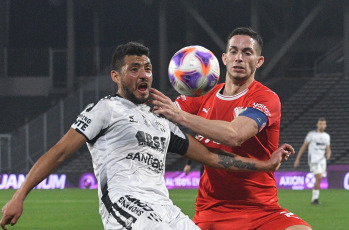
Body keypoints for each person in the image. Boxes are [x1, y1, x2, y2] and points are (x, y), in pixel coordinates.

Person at [0, 42, 294, 230]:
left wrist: (264, 166)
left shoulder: (159, 120)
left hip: (165, 208)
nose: (144, 74)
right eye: (134, 69)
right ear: (116, 76)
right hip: (127, 206)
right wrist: (19, 195)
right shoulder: (105, 109)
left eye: (148, 68)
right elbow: (61, 152)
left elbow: (211, 157)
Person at [151, 27, 312, 230]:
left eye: (247, 53)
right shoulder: (201, 94)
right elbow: (159, 121)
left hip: (261, 209)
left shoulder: (265, 98)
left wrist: (180, 116)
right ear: (224, 58)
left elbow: (234, 135)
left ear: (259, 61)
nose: (239, 58)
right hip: (211, 211)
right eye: (234, 52)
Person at [294, 117, 331, 205]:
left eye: (323, 124)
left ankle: (315, 198)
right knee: (319, 177)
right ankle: (314, 199)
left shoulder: (327, 136)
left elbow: (328, 148)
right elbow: (304, 146)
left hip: (322, 160)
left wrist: (328, 153)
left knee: (319, 179)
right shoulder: (311, 135)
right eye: (320, 124)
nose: (322, 125)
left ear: (325, 125)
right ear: (317, 124)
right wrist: (297, 158)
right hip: (314, 159)